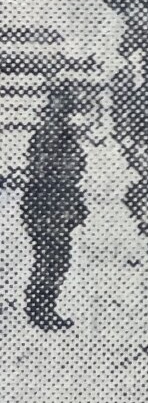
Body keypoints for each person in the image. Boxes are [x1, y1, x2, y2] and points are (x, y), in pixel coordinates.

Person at [21, 79, 89, 331]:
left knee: (52, 258)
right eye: (68, 99)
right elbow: (44, 170)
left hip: (49, 203)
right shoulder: (53, 131)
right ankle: (41, 311)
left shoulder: (56, 129)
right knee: (53, 259)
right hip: (48, 204)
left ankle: (41, 309)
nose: (73, 104)